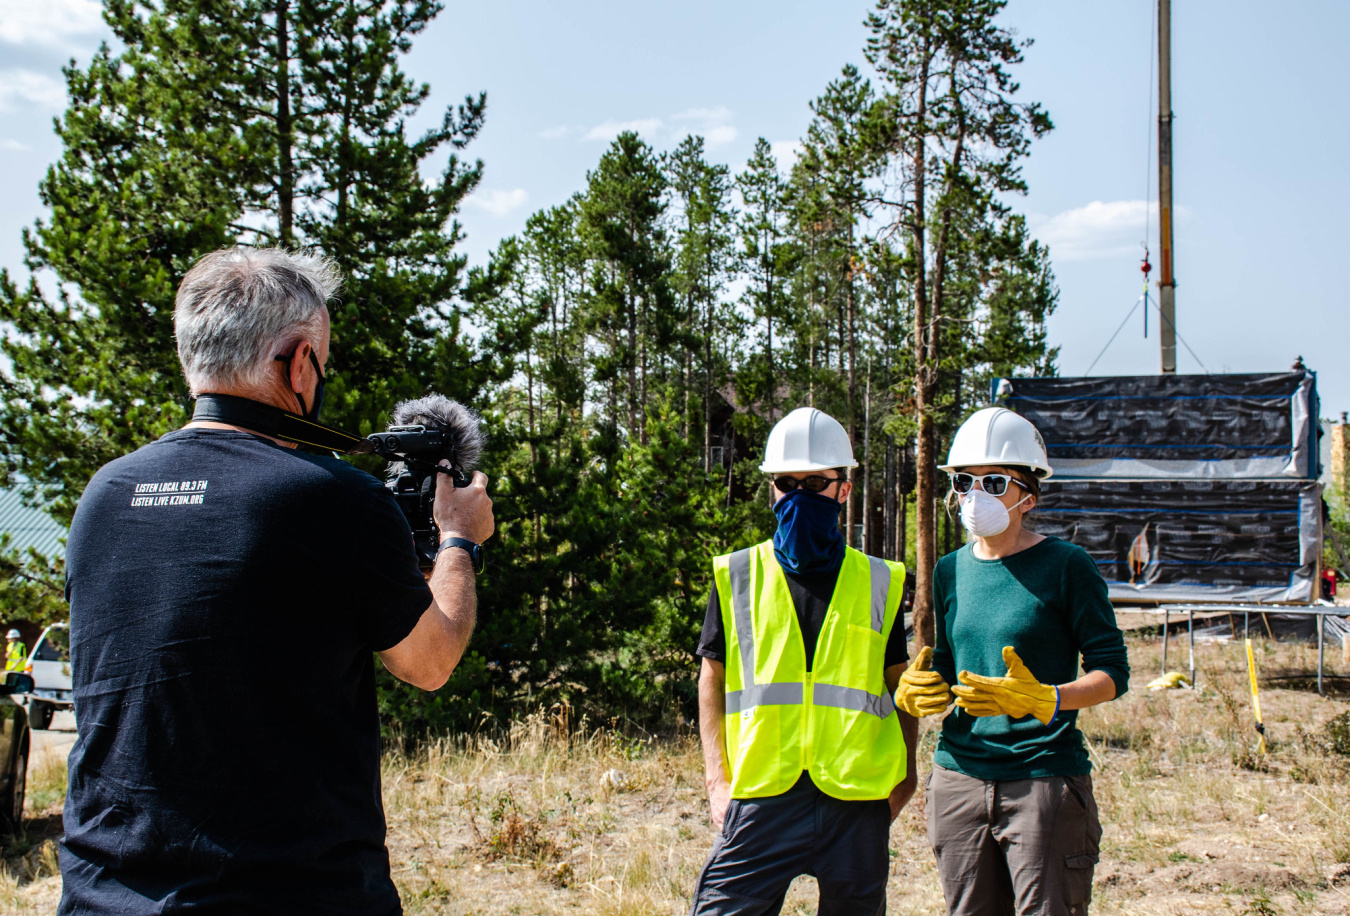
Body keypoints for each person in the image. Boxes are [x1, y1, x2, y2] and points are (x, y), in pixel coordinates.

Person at [61, 248, 494, 915]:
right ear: (299, 364)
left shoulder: (105, 494)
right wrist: (460, 539)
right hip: (287, 894)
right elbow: (429, 661)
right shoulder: (332, 499)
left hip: (101, 893)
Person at [893, 407, 1129, 916]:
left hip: (1042, 778)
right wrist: (919, 688)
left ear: (1029, 495)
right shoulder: (949, 569)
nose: (976, 495)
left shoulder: (1068, 566)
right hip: (958, 778)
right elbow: (951, 664)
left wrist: (1049, 698)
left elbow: (1114, 673)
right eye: (964, 481)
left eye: (994, 481)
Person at [690, 407, 916, 916]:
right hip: (763, 792)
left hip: (855, 798)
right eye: (786, 482)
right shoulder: (737, 575)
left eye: (815, 481)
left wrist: (907, 775)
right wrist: (716, 781)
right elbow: (713, 677)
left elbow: (900, 686)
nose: (799, 494)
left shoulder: (881, 580)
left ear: (844, 489)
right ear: (771, 488)